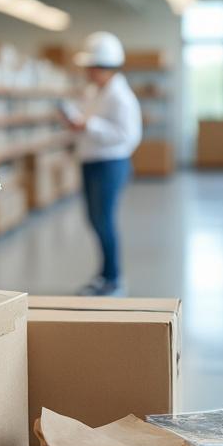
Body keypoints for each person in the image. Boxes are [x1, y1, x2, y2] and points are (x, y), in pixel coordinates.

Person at [60, 31, 142, 296]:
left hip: (111, 164)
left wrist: (89, 125)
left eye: (91, 67)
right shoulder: (95, 91)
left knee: (104, 220)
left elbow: (128, 136)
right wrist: (78, 123)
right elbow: (88, 121)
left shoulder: (121, 97)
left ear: (103, 67)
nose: (87, 72)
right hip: (92, 161)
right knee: (95, 219)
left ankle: (114, 279)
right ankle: (105, 274)